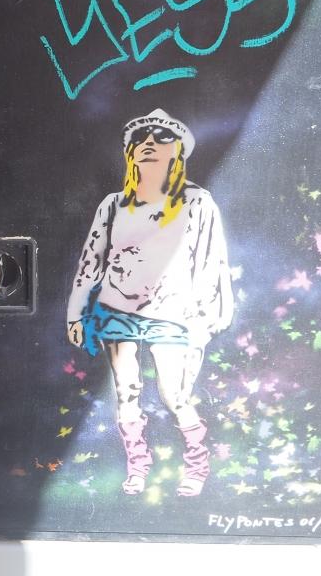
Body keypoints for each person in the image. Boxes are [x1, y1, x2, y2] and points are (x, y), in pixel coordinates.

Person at [66, 109, 234, 497]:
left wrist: (209, 316)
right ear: (130, 152)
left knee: (174, 395)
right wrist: (76, 313)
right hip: (117, 309)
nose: (149, 143)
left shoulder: (197, 202)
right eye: (141, 139)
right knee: (126, 392)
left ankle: (197, 464)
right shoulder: (114, 204)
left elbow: (212, 260)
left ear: (178, 152)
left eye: (161, 137)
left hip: (174, 313)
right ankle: (137, 466)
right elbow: (91, 261)